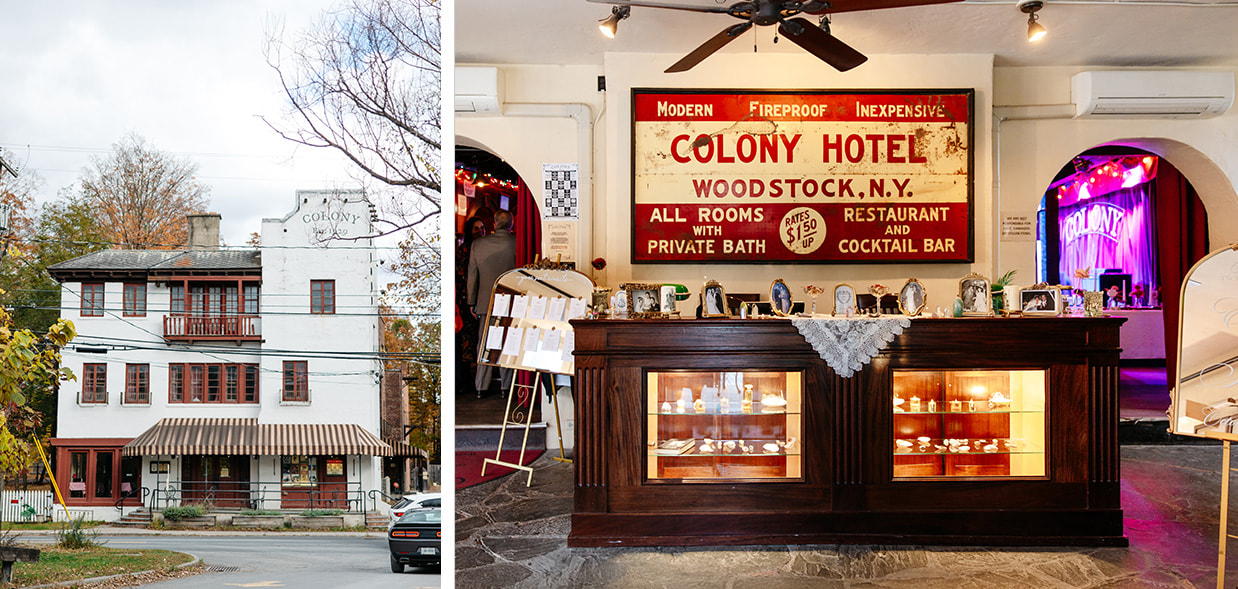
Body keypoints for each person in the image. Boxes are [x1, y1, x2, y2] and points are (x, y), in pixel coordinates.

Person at [468, 210, 517, 395]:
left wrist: (471, 302)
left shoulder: (478, 245)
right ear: (511, 225)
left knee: (485, 344)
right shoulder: (516, 243)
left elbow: (473, 275)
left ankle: (481, 387)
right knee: (507, 343)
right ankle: (506, 387)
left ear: (494, 224)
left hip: (486, 301)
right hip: (512, 300)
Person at [456, 217, 489, 398]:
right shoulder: (463, 251)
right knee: (469, 341)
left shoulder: (486, 249)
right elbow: (463, 277)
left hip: (479, 300)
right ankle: (471, 380)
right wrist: (468, 301)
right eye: (476, 228)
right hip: (466, 302)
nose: (480, 231)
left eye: (482, 227)